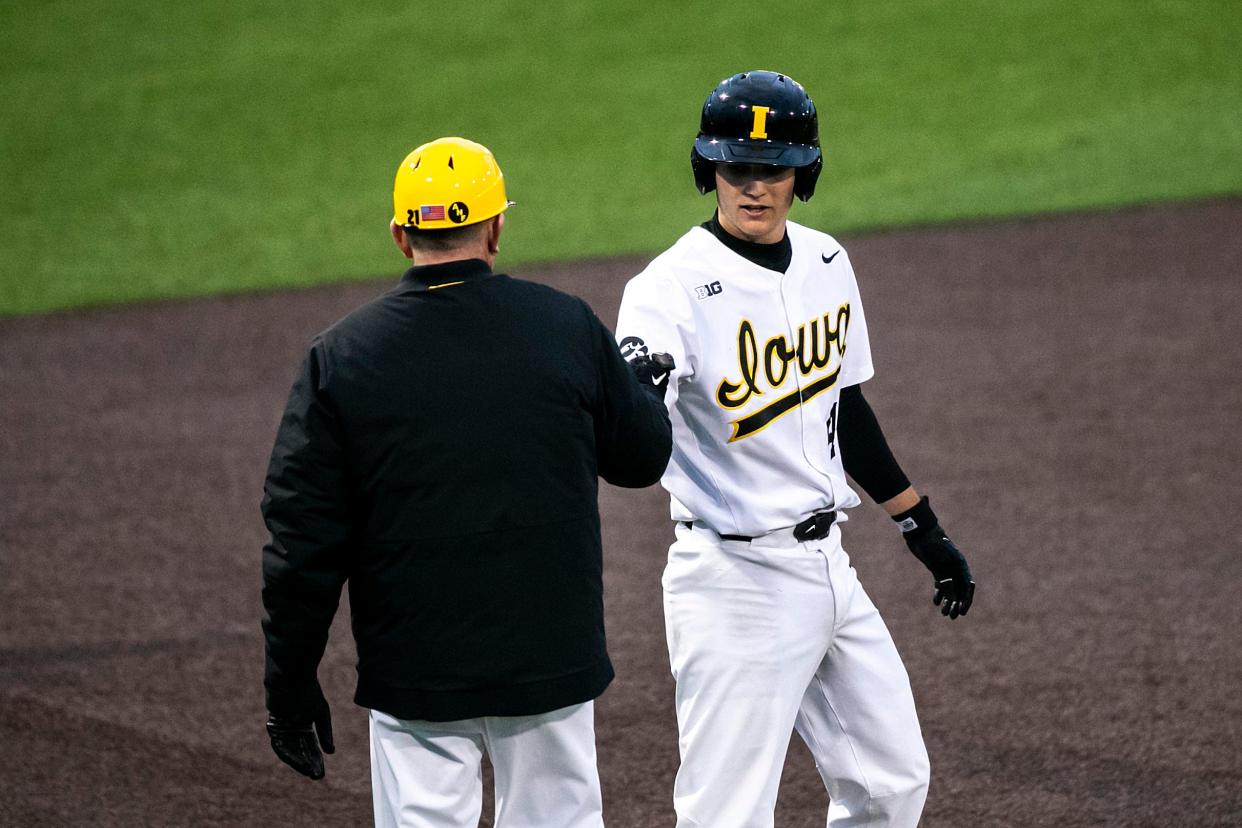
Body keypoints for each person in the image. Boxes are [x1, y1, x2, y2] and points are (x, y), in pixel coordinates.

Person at [260, 136, 673, 827]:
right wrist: (643, 391)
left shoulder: (342, 358)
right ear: (497, 226)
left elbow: (301, 543)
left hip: (416, 670)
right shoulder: (565, 326)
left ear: (401, 236)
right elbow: (641, 460)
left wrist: (289, 684)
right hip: (549, 659)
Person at [615, 71, 977, 827]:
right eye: (736, 167)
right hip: (733, 579)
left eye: (772, 168)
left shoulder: (826, 263)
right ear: (707, 169)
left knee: (891, 782)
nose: (754, 186)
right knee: (727, 814)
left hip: (827, 567)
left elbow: (844, 406)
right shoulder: (668, 290)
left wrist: (922, 526)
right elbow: (632, 442)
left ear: (803, 173)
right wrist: (636, 395)